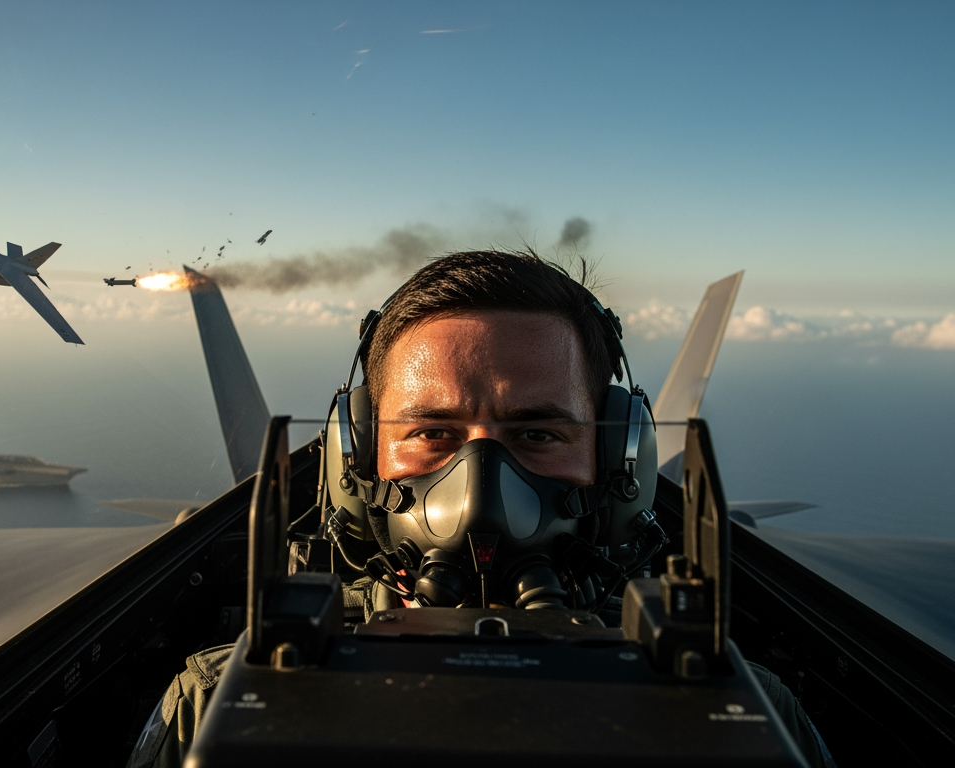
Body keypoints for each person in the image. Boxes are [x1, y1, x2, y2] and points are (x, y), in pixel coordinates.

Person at [130, 249, 834, 768]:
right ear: (358, 461)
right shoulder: (210, 702)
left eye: (537, 434)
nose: (480, 490)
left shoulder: (747, 708)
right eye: (431, 433)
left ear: (620, 463)